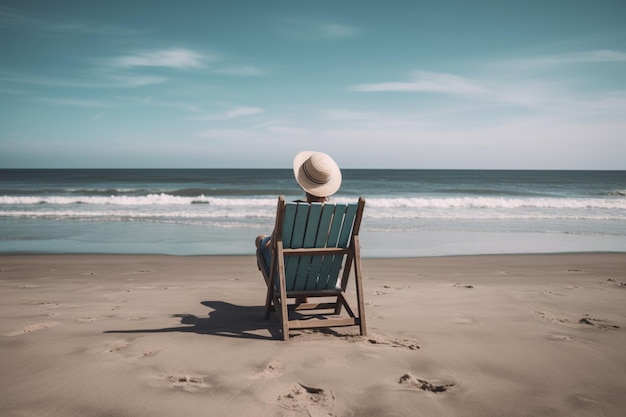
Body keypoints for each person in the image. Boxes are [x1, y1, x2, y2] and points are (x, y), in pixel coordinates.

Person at [255, 150, 342, 268]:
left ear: (302, 183)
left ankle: (268, 272)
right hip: (320, 270)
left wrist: (268, 244)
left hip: (286, 269)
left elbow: (274, 245)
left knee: (260, 240)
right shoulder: (334, 213)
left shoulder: (291, 209)